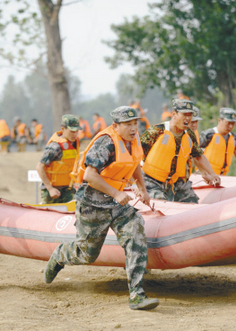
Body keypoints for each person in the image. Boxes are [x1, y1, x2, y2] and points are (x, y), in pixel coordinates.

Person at [43, 106, 159, 310]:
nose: (133, 128)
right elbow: (89, 175)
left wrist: (142, 188)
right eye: (128, 124)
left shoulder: (134, 140)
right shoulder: (105, 142)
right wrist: (116, 193)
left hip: (117, 205)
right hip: (93, 203)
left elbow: (135, 165)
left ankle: (137, 294)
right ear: (116, 125)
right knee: (87, 254)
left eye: (135, 123)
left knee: (136, 231)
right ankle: (60, 255)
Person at [141, 99, 221, 203]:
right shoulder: (156, 131)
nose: (188, 118)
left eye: (190, 115)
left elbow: (198, 156)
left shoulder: (189, 135)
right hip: (152, 181)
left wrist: (212, 173)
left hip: (176, 182)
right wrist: (138, 185)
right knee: (160, 205)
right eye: (184, 114)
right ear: (174, 114)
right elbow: (136, 153)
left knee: (192, 203)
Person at [36, 115, 80, 204]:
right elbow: (40, 167)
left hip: (68, 189)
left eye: (76, 131)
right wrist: (50, 189)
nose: (75, 134)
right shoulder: (55, 146)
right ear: (63, 129)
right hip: (52, 191)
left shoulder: (75, 143)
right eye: (72, 131)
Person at [199, 108, 236, 176]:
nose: (230, 126)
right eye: (228, 123)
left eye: (233, 123)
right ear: (220, 120)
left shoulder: (232, 138)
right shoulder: (209, 135)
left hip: (223, 176)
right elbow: (196, 154)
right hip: (206, 175)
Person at [187, 106, 202, 175]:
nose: (194, 125)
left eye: (196, 122)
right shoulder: (178, 133)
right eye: (192, 122)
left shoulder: (195, 133)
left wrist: (201, 170)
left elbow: (197, 155)